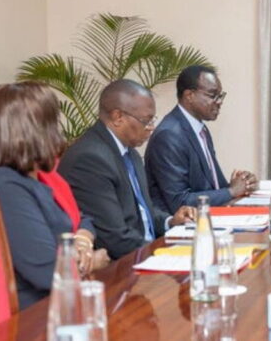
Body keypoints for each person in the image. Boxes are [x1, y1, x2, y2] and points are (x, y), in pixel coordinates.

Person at [0, 82, 109, 309]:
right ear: (36, 129)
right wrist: (93, 263)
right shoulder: (5, 186)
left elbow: (82, 218)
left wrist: (82, 239)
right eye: (53, 122)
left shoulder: (34, 177)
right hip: (32, 318)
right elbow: (46, 273)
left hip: (60, 305)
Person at [59, 79, 196, 259]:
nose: (151, 128)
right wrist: (169, 253)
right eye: (145, 121)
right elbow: (114, 238)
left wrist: (171, 221)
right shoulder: (90, 159)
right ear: (118, 117)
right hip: (120, 266)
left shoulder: (129, 152)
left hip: (146, 254)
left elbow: (142, 211)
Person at [145, 66, 258, 214]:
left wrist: (242, 183)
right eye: (212, 95)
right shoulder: (169, 135)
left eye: (220, 96)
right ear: (189, 95)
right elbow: (179, 202)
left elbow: (211, 187)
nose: (219, 102)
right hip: (179, 229)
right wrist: (231, 191)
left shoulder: (200, 129)